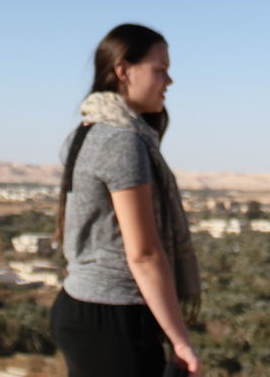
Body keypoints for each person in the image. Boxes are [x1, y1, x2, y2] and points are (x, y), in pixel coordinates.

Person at [50, 23, 202, 376]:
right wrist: (180, 340)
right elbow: (144, 254)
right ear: (123, 70)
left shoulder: (85, 131)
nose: (169, 81)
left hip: (84, 307)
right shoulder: (122, 141)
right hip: (114, 314)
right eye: (160, 70)